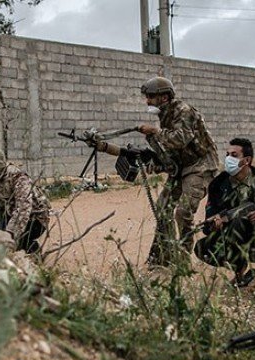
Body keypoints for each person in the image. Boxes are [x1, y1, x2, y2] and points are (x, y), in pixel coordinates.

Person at [91, 76, 219, 266]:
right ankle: (163, 257)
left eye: (150, 96)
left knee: (182, 212)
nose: (147, 101)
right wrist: (103, 146)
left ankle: (182, 261)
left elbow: (179, 140)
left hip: (200, 166)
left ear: (164, 97)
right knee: (162, 209)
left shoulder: (184, 111)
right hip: (181, 166)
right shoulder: (165, 115)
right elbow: (169, 150)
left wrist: (154, 132)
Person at [194, 138, 255, 290]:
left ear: (247, 160)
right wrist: (214, 224)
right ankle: (241, 271)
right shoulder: (218, 184)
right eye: (227, 154)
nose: (228, 159)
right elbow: (208, 222)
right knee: (202, 248)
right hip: (231, 237)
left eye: (234, 155)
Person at [0, 149, 51, 254]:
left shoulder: (17, 177)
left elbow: (24, 207)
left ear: (3, 163)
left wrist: (10, 233)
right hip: (10, 213)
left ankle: (32, 253)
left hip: (35, 218)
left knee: (17, 242)